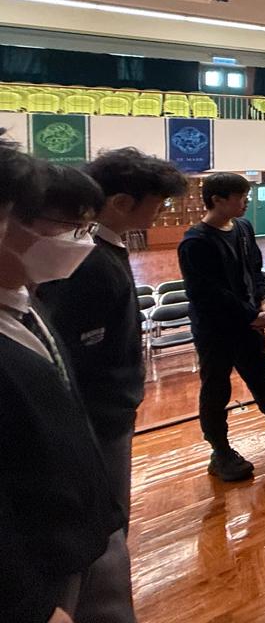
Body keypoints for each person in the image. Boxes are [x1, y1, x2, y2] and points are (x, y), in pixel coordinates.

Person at [37, 148, 187, 623]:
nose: (160, 214)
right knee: (104, 523)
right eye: (156, 205)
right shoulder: (88, 262)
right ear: (122, 202)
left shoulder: (102, 250)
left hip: (108, 413)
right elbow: (75, 356)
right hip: (98, 419)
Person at [0, 152, 120, 623]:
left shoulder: (29, 304)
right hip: (36, 570)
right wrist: (28, 604)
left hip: (77, 532)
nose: (81, 241)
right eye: (69, 226)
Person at [178, 173, 265, 481]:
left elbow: (255, 268)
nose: (247, 203)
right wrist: (248, 315)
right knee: (216, 388)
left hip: (249, 320)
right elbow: (208, 293)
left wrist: (262, 300)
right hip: (216, 328)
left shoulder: (242, 227)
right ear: (217, 200)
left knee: (260, 375)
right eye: (241, 198)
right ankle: (220, 451)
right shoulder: (196, 242)